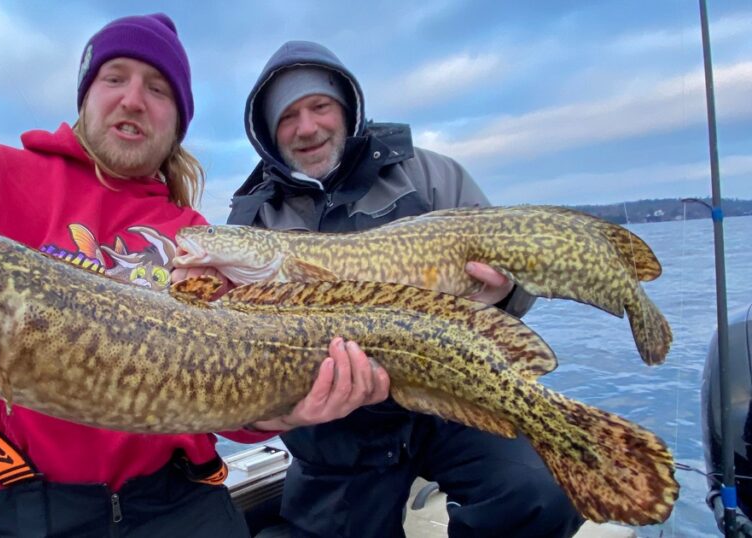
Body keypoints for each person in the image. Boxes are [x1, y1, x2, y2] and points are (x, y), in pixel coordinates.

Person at [0, 18, 387, 537]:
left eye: (158, 89)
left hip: (174, 503)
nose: (133, 98)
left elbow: (231, 409)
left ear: (177, 124)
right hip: (0, 505)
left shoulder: (197, 237)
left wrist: (289, 411)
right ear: (86, 96)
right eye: (115, 78)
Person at [227, 40, 586, 538]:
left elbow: (518, 295)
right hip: (336, 433)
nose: (306, 127)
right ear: (269, 132)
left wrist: (505, 290)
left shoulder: (429, 175)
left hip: (451, 395)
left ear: (347, 110)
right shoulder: (253, 221)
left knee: (540, 494)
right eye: (287, 116)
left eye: (319, 106)